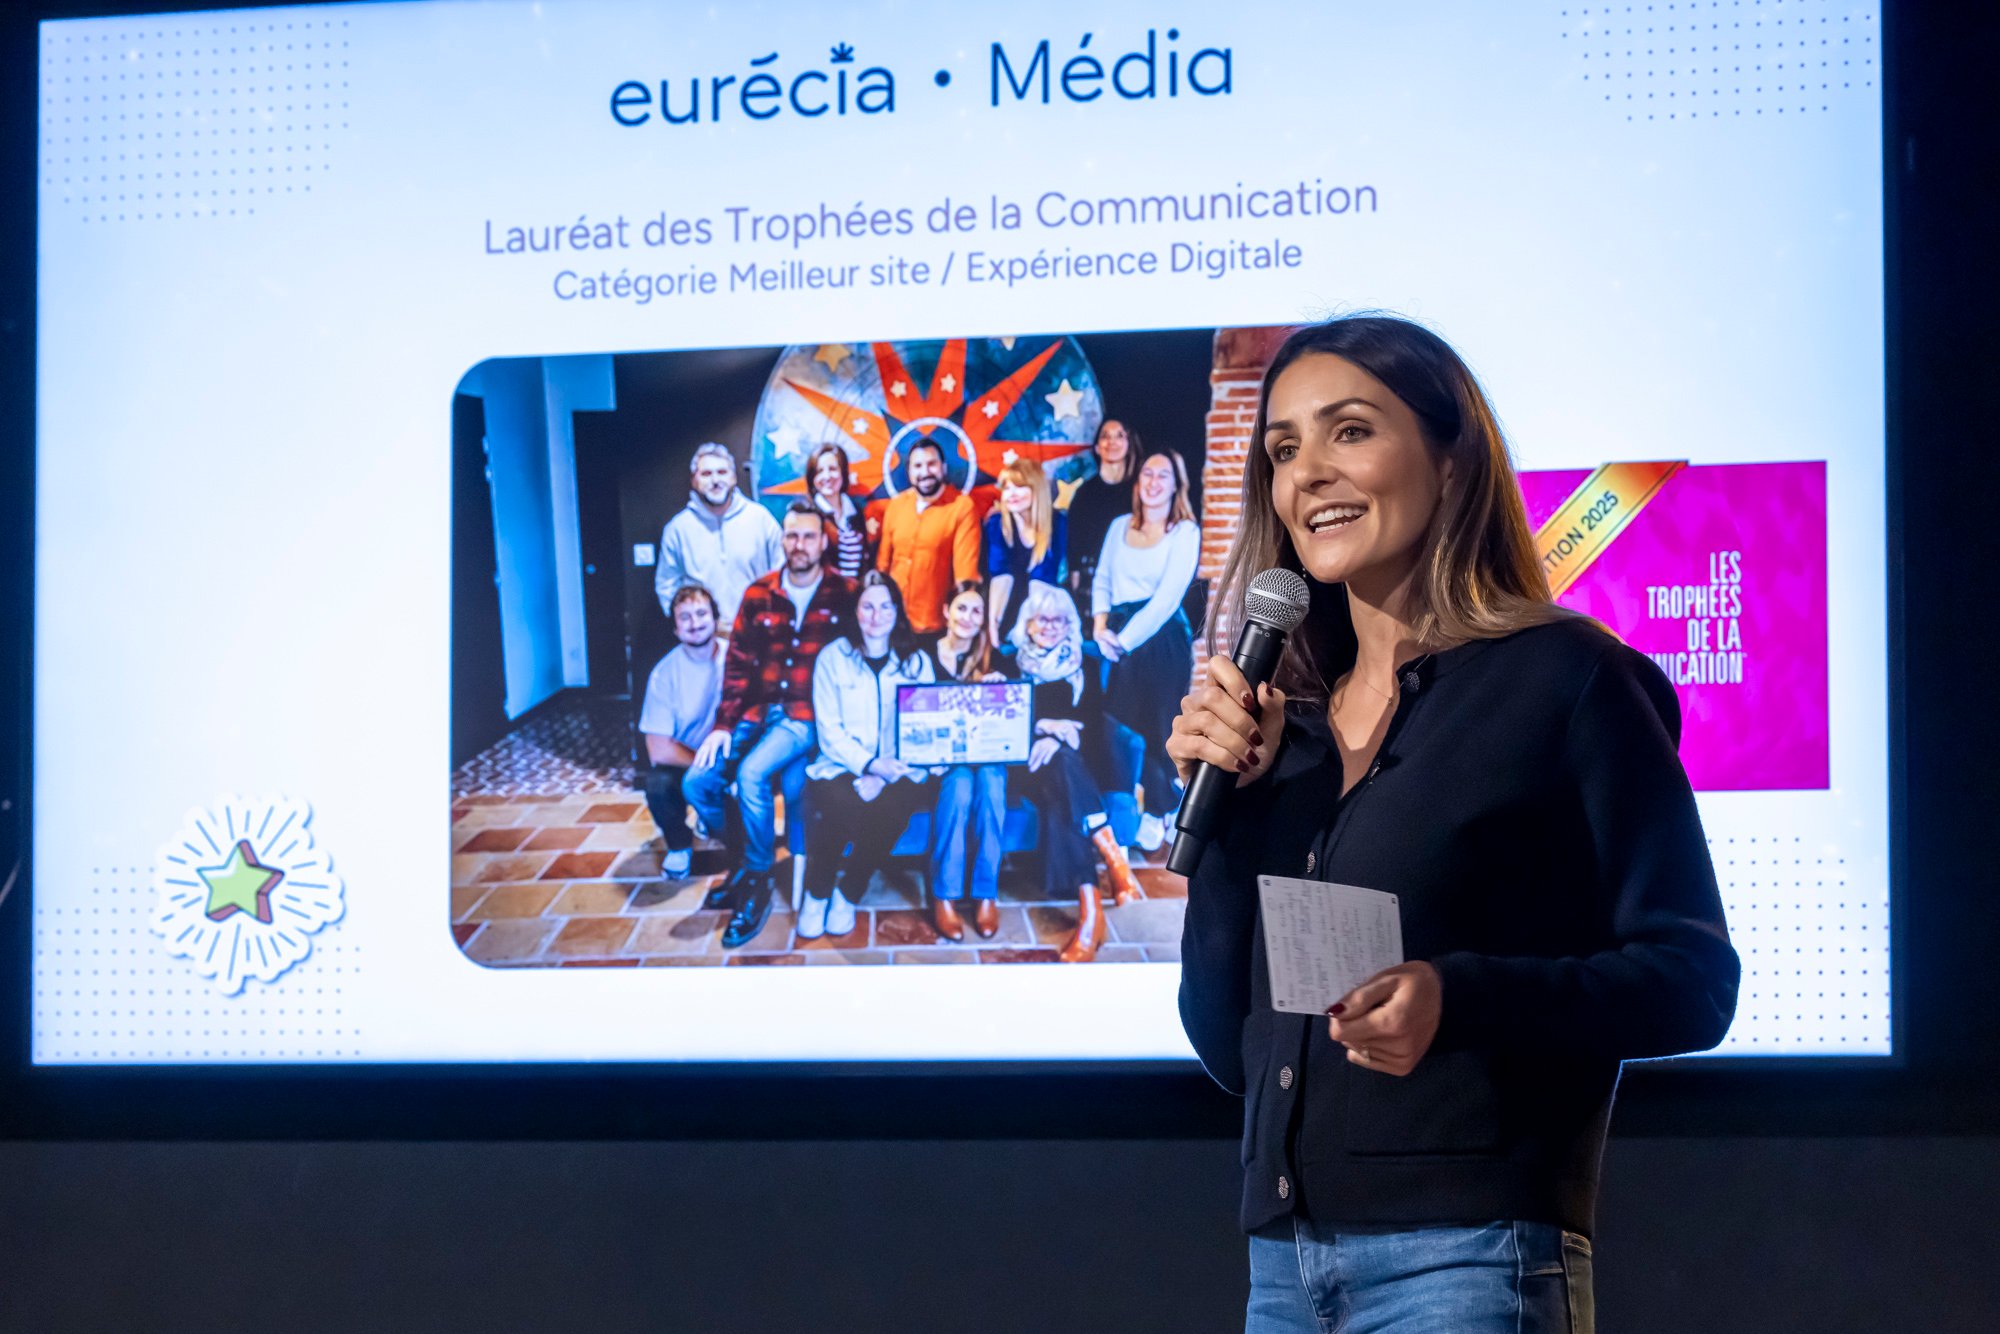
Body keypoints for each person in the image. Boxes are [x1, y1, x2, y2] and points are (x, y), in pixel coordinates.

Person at [1167, 315, 1739, 1332]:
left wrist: (1455, 995)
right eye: (1283, 448)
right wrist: (1233, 811)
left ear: (1449, 455)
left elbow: (1691, 982)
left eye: (1348, 430)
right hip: (1279, 1272)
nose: (1306, 474)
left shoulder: (1568, 682)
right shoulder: (1284, 738)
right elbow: (1226, 1046)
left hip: (1468, 1258)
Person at [685, 502, 858, 948]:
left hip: (807, 717)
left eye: (808, 536)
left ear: (824, 542)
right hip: (757, 711)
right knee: (698, 782)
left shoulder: (846, 593)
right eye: (791, 536)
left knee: (751, 775)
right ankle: (746, 857)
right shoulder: (758, 593)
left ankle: (757, 881)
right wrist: (723, 726)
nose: (798, 545)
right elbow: (738, 667)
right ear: (782, 540)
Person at [797, 572, 936, 940]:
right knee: (841, 805)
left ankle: (848, 892)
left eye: (885, 606)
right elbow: (829, 731)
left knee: (893, 810)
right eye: (868, 606)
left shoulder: (917, 662)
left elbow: (921, 730)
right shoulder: (833, 659)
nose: (877, 616)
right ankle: (817, 891)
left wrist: (884, 772)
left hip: (902, 767)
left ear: (897, 611)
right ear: (856, 611)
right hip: (842, 763)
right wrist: (869, 766)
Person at [1008, 581, 1142, 963]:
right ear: (1028, 623)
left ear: (1069, 624)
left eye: (1059, 619)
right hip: (1027, 763)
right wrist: (1045, 729)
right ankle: (1114, 858)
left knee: (1062, 778)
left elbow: (1091, 719)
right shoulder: (1010, 661)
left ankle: (1090, 912)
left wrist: (1064, 737)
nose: (1050, 625)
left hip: (1073, 764)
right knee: (1058, 763)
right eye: (1041, 618)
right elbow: (1007, 716)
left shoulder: (1083, 661)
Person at [1091, 449, 1201, 854]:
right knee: (1124, 727)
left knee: (1159, 731)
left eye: (1163, 475)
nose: (1154, 482)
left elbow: (1166, 600)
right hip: (1117, 636)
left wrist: (1123, 641)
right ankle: (1163, 806)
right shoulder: (1120, 525)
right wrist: (1100, 626)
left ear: (1176, 485)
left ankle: (1161, 812)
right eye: (1147, 474)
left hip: (1162, 641)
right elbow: (1102, 579)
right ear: (1138, 483)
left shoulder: (1185, 532)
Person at [925, 579, 1009, 941]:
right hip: (940, 760)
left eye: (977, 610)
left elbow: (1010, 722)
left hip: (986, 753)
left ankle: (986, 893)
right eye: (962, 607)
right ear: (946, 611)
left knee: (991, 783)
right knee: (959, 787)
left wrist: (1000, 692)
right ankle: (944, 895)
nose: (969, 617)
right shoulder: (922, 654)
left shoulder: (996, 657)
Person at [635, 583, 724, 881]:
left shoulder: (735, 659)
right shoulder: (664, 674)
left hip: (731, 755)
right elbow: (658, 749)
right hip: (686, 759)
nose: (695, 623)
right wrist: (705, 763)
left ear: (715, 618)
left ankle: (714, 822)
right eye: (684, 617)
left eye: (701, 613)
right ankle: (679, 846)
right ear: (675, 628)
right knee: (657, 785)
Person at [654, 441, 785, 632]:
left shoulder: (761, 519)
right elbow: (667, 586)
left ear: (734, 477)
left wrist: (772, 617)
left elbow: (783, 574)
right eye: (706, 474)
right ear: (694, 480)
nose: (715, 480)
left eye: (722, 472)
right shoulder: (678, 529)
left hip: (757, 634)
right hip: (704, 641)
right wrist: (691, 627)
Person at [875, 437, 980, 635]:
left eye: (932, 464)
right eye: (918, 466)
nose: (925, 472)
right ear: (909, 472)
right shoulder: (896, 506)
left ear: (944, 467)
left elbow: (965, 576)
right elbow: (883, 566)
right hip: (890, 623)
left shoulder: (961, 508)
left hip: (933, 628)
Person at [983, 455, 1066, 648]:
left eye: (1019, 486)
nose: (1011, 493)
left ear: (1036, 488)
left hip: (1044, 619)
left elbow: (1043, 577)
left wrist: (1033, 632)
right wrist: (994, 625)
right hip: (1007, 610)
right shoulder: (996, 524)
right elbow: (1000, 576)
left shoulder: (1057, 523)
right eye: (1006, 488)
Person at [1062, 418, 1138, 599]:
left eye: (1119, 436)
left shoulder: (1139, 490)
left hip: (1130, 572)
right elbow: (1074, 540)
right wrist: (1075, 575)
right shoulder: (1085, 493)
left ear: (1129, 443)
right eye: (1105, 436)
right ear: (1097, 447)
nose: (1112, 442)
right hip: (1092, 574)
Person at [806, 442, 872, 580]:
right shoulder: (808, 516)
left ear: (843, 472)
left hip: (854, 597)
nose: (827, 476)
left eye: (832, 469)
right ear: (812, 478)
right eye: (819, 471)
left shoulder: (856, 513)